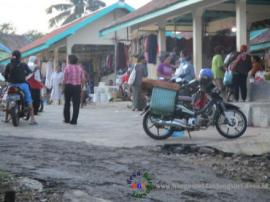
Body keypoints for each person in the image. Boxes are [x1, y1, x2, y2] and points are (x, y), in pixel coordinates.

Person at [3, 50, 37, 125]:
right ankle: (32, 119)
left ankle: (6, 118)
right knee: (29, 100)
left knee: (8, 100)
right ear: (20, 57)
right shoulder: (23, 65)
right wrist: (26, 78)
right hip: (22, 85)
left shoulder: (9, 65)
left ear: (12, 56)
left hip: (11, 85)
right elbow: (30, 73)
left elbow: (5, 75)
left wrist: (7, 79)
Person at [63, 55, 85, 125]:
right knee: (76, 104)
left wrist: (63, 88)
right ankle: (74, 120)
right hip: (77, 87)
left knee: (67, 103)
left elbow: (64, 79)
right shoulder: (80, 68)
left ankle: (67, 119)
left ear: (70, 60)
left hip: (68, 86)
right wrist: (81, 88)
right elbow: (83, 79)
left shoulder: (67, 67)